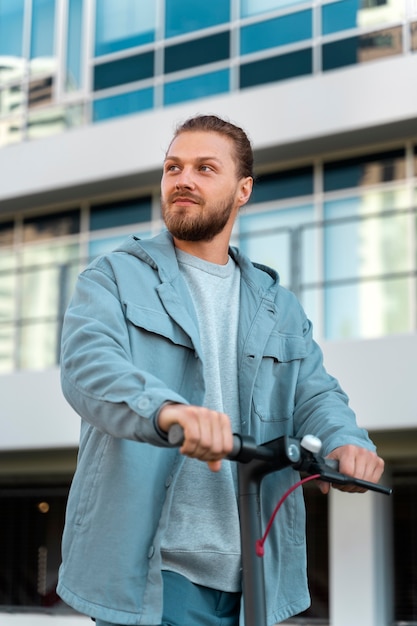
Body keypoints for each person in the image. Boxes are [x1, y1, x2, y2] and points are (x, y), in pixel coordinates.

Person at [57, 114, 384, 626]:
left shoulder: (278, 305)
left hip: (255, 578)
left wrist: (345, 441)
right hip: (155, 576)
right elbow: (87, 366)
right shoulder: (115, 276)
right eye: (173, 167)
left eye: (205, 168)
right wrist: (167, 411)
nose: (182, 179)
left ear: (243, 190)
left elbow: (315, 395)